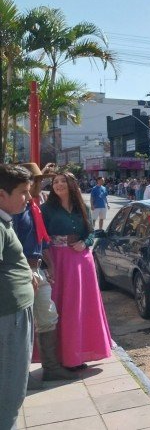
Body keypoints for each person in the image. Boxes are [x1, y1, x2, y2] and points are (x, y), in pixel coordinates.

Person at [12, 164, 76, 384]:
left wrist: (47, 266)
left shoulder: (34, 207)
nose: (38, 186)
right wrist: (27, 270)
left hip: (37, 268)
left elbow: (41, 239)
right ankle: (22, 377)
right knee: (24, 325)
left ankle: (51, 367)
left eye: (39, 182)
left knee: (48, 317)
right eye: (35, 182)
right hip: (24, 270)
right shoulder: (18, 210)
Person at [41, 172, 112, 370]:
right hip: (59, 260)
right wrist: (46, 264)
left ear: (72, 184)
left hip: (82, 261)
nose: (59, 184)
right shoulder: (46, 209)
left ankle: (78, 355)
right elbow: (42, 237)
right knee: (63, 308)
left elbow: (90, 233)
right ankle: (63, 358)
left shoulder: (83, 207)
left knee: (82, 307)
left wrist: (85, 242)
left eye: (63, 181)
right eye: (55, 182)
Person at [0, 165, 36, 429]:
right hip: (9, 316)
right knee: (10, 392)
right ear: (2, 195)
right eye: (23, 192)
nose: (29, 198)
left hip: (11, 313)